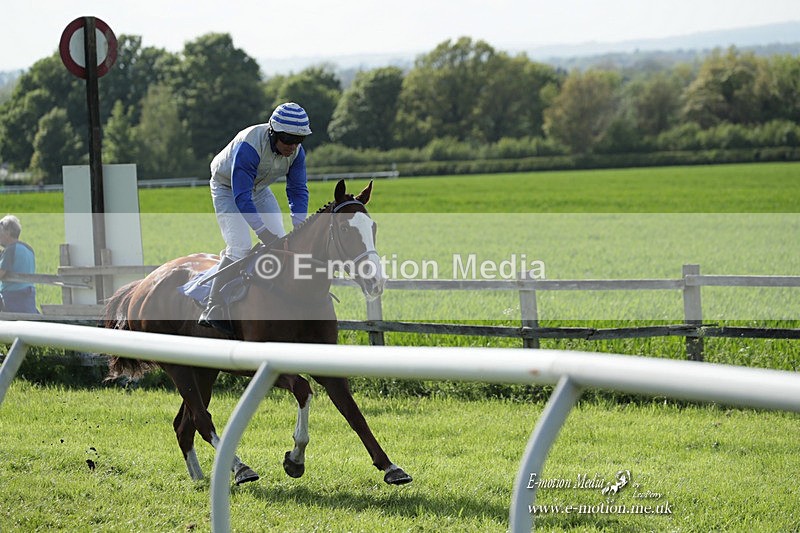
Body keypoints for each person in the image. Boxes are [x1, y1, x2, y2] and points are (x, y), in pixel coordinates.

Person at [198, 102, 312, 334]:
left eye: (298, 140)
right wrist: (261, 231)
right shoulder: (249, 145)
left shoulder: (297, 153)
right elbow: (241, 196)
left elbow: (298, 190)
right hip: (227, 188)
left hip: (258, 190)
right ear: (273, 133)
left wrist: (300, 226)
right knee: (240, 246)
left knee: (281, 241)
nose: (292, 146)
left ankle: (276, 298)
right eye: (287, 140)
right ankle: (212, 305)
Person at [0, 215, 40, 314]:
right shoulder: (29, 249)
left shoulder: (10, 250)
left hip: (12, 297)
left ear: (8, 232)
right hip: (28, 295)